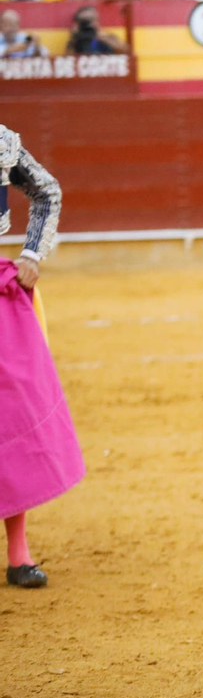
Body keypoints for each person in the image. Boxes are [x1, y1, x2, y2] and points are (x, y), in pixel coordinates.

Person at [0, 125, 77, 591]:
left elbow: (46, 191)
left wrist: (31, 253)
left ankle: (18, 553)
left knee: (9, 417)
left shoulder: (1, 141)